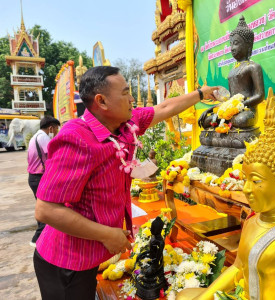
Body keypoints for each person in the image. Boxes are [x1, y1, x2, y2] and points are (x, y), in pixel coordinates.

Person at [33, 66, 217, 300]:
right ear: (102, 101)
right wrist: (107, 235)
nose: (132, 99)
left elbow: (164, 108)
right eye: (125, 92)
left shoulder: (125, 126)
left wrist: (201, 94)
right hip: (67, 262)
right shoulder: (75, 138)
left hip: (90, 257)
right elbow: (46, 209)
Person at [177, 96, 275, 299]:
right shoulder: (253, 222)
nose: (246, 189)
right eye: (245, 179)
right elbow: (238, 269)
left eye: (255, 181)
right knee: (185, 295)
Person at [198, 16, 265, 129]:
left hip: (247, 111)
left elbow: (260, 95)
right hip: (231, 110)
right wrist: (211, 109)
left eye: (236, 43)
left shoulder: (253, 67)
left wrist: (240, 105)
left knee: (240, 120)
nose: (232, 48)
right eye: (231, 44)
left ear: (248, 45)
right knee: (206, 121)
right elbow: (231, 99)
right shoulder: (232, 72)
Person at [27, 116, 60, 247]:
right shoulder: (44, 138)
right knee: (47, 209)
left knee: (44, 207)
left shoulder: (35, 137)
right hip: (39, 177)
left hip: (33, 177)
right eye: (56, 128)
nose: (57, 131)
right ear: (51, 127)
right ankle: (37, 239)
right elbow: (55, 154)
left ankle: (41, 238)